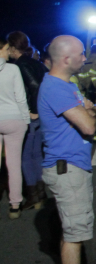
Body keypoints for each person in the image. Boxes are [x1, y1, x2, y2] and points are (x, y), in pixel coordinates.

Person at [39, 36, 96, 264]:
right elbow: (89, 125)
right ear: (66, 59)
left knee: (74, 228)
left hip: (73, 164)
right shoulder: (56, 88)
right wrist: (93, 113)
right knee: (74, 232)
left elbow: (94, 110)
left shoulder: (68, 85)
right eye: (80, 54)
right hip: (67, 168)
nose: (84, 58)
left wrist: (95, 111)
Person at [7, 31, 48, 211]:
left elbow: (34, 86)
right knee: (37, 154)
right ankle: (41, 194)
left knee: (25, 156)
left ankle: (33, 196)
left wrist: (32, 110)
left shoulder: (20, 65)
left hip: (31, 115)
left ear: (14, 48)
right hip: (42, 114)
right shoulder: (36, 63)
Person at [0, 34, 31, 219]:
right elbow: (21, 97)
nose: (8, 52)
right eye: (5, 49)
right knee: (13, 164)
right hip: (13, 119)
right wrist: (26, 120)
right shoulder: (12, 70)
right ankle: (15, 205)